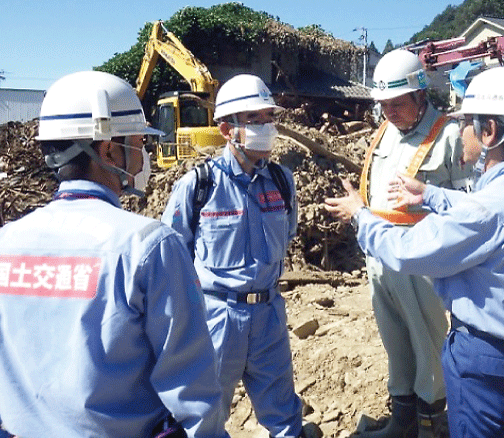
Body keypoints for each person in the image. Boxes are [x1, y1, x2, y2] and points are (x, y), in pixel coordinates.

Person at [326, 66, 504, 438]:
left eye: (469, 122)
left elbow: (406, 250)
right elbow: (485, 213)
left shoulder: (487, 209)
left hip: (483, 355)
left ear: (490, 131)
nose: (462, 130)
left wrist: (359, 214)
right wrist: (432, 195)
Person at [0, 71, 228, 438]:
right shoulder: (148, 246)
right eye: (138, 142)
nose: (144, 157)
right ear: (108, 149)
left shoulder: (7, 242)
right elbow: (192, 394)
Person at [161, 74, 309, 438]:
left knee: (285, 417)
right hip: (216, 317)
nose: (266, 128)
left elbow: (286, 235)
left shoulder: (282, 181)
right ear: (228, 129)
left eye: (268, 118)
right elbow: (173, 257)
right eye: (253, 120)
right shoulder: (198, 186)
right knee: (204, 420)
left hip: (270, 314)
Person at [356, 49, 471, 438]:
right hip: (380, 257)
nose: (390, 111)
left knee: (428, 341)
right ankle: (401, 417)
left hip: (422, 259)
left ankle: (430, 421)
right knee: (396, 340)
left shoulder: (448, 135)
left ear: (421, 95)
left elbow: (465, 206)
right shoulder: (385, 132)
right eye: (384, 104)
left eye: (398, 103)